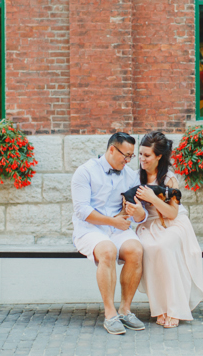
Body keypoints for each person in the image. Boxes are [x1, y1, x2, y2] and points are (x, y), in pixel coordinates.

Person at [124, 131, 203, 328]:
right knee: (148, 248)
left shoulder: (169, 179)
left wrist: (152, 198)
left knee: (165, 246)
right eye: (140, 154)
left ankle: (176, 308)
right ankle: (160, 307)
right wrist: (133, 211)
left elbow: (172, 213)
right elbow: (137, 215)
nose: (142, 159)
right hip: (148, 224)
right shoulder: (136, 177)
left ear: (159, 156)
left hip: (172, 223)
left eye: (147, 155)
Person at [71, 132, 148, 335]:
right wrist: (112, 221)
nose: (129, 160)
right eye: (126, 155)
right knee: (107, 250)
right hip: (89, 230)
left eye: (132, 156)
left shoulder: (130, 175)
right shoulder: (85, 172)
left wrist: (138, 214)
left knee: (136, 249)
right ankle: (110, 313)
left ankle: (125, 309)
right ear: (112, 149)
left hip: (117, 228)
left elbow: (140, 213)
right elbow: (82, 210)